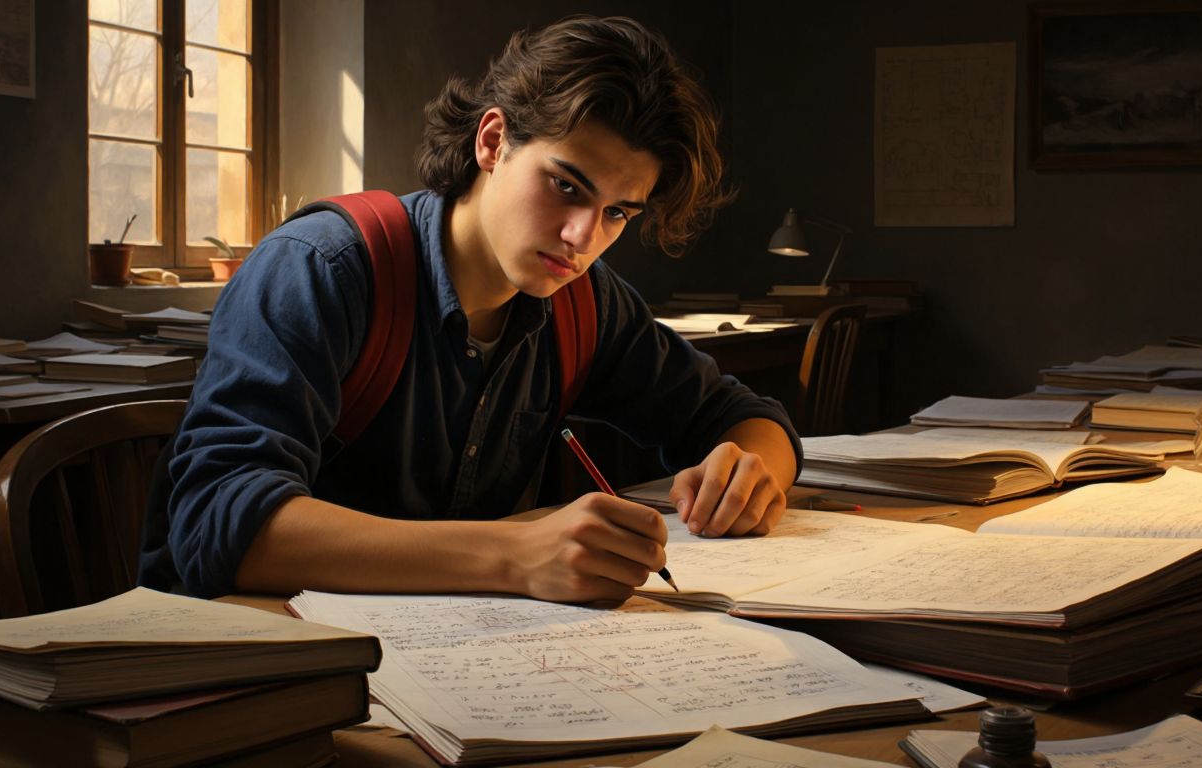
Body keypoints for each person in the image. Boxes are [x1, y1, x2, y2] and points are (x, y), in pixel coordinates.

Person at [140, 15, 801, 604]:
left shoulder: (583, 300)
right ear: (492, 142)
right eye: (566, 186)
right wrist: (513, 556)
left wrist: (748, 472)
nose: (582, 237)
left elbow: (744, 418)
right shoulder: (319, 269)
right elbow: (216, 519)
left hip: (454, 668)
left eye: (617, 213)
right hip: (260, 661)